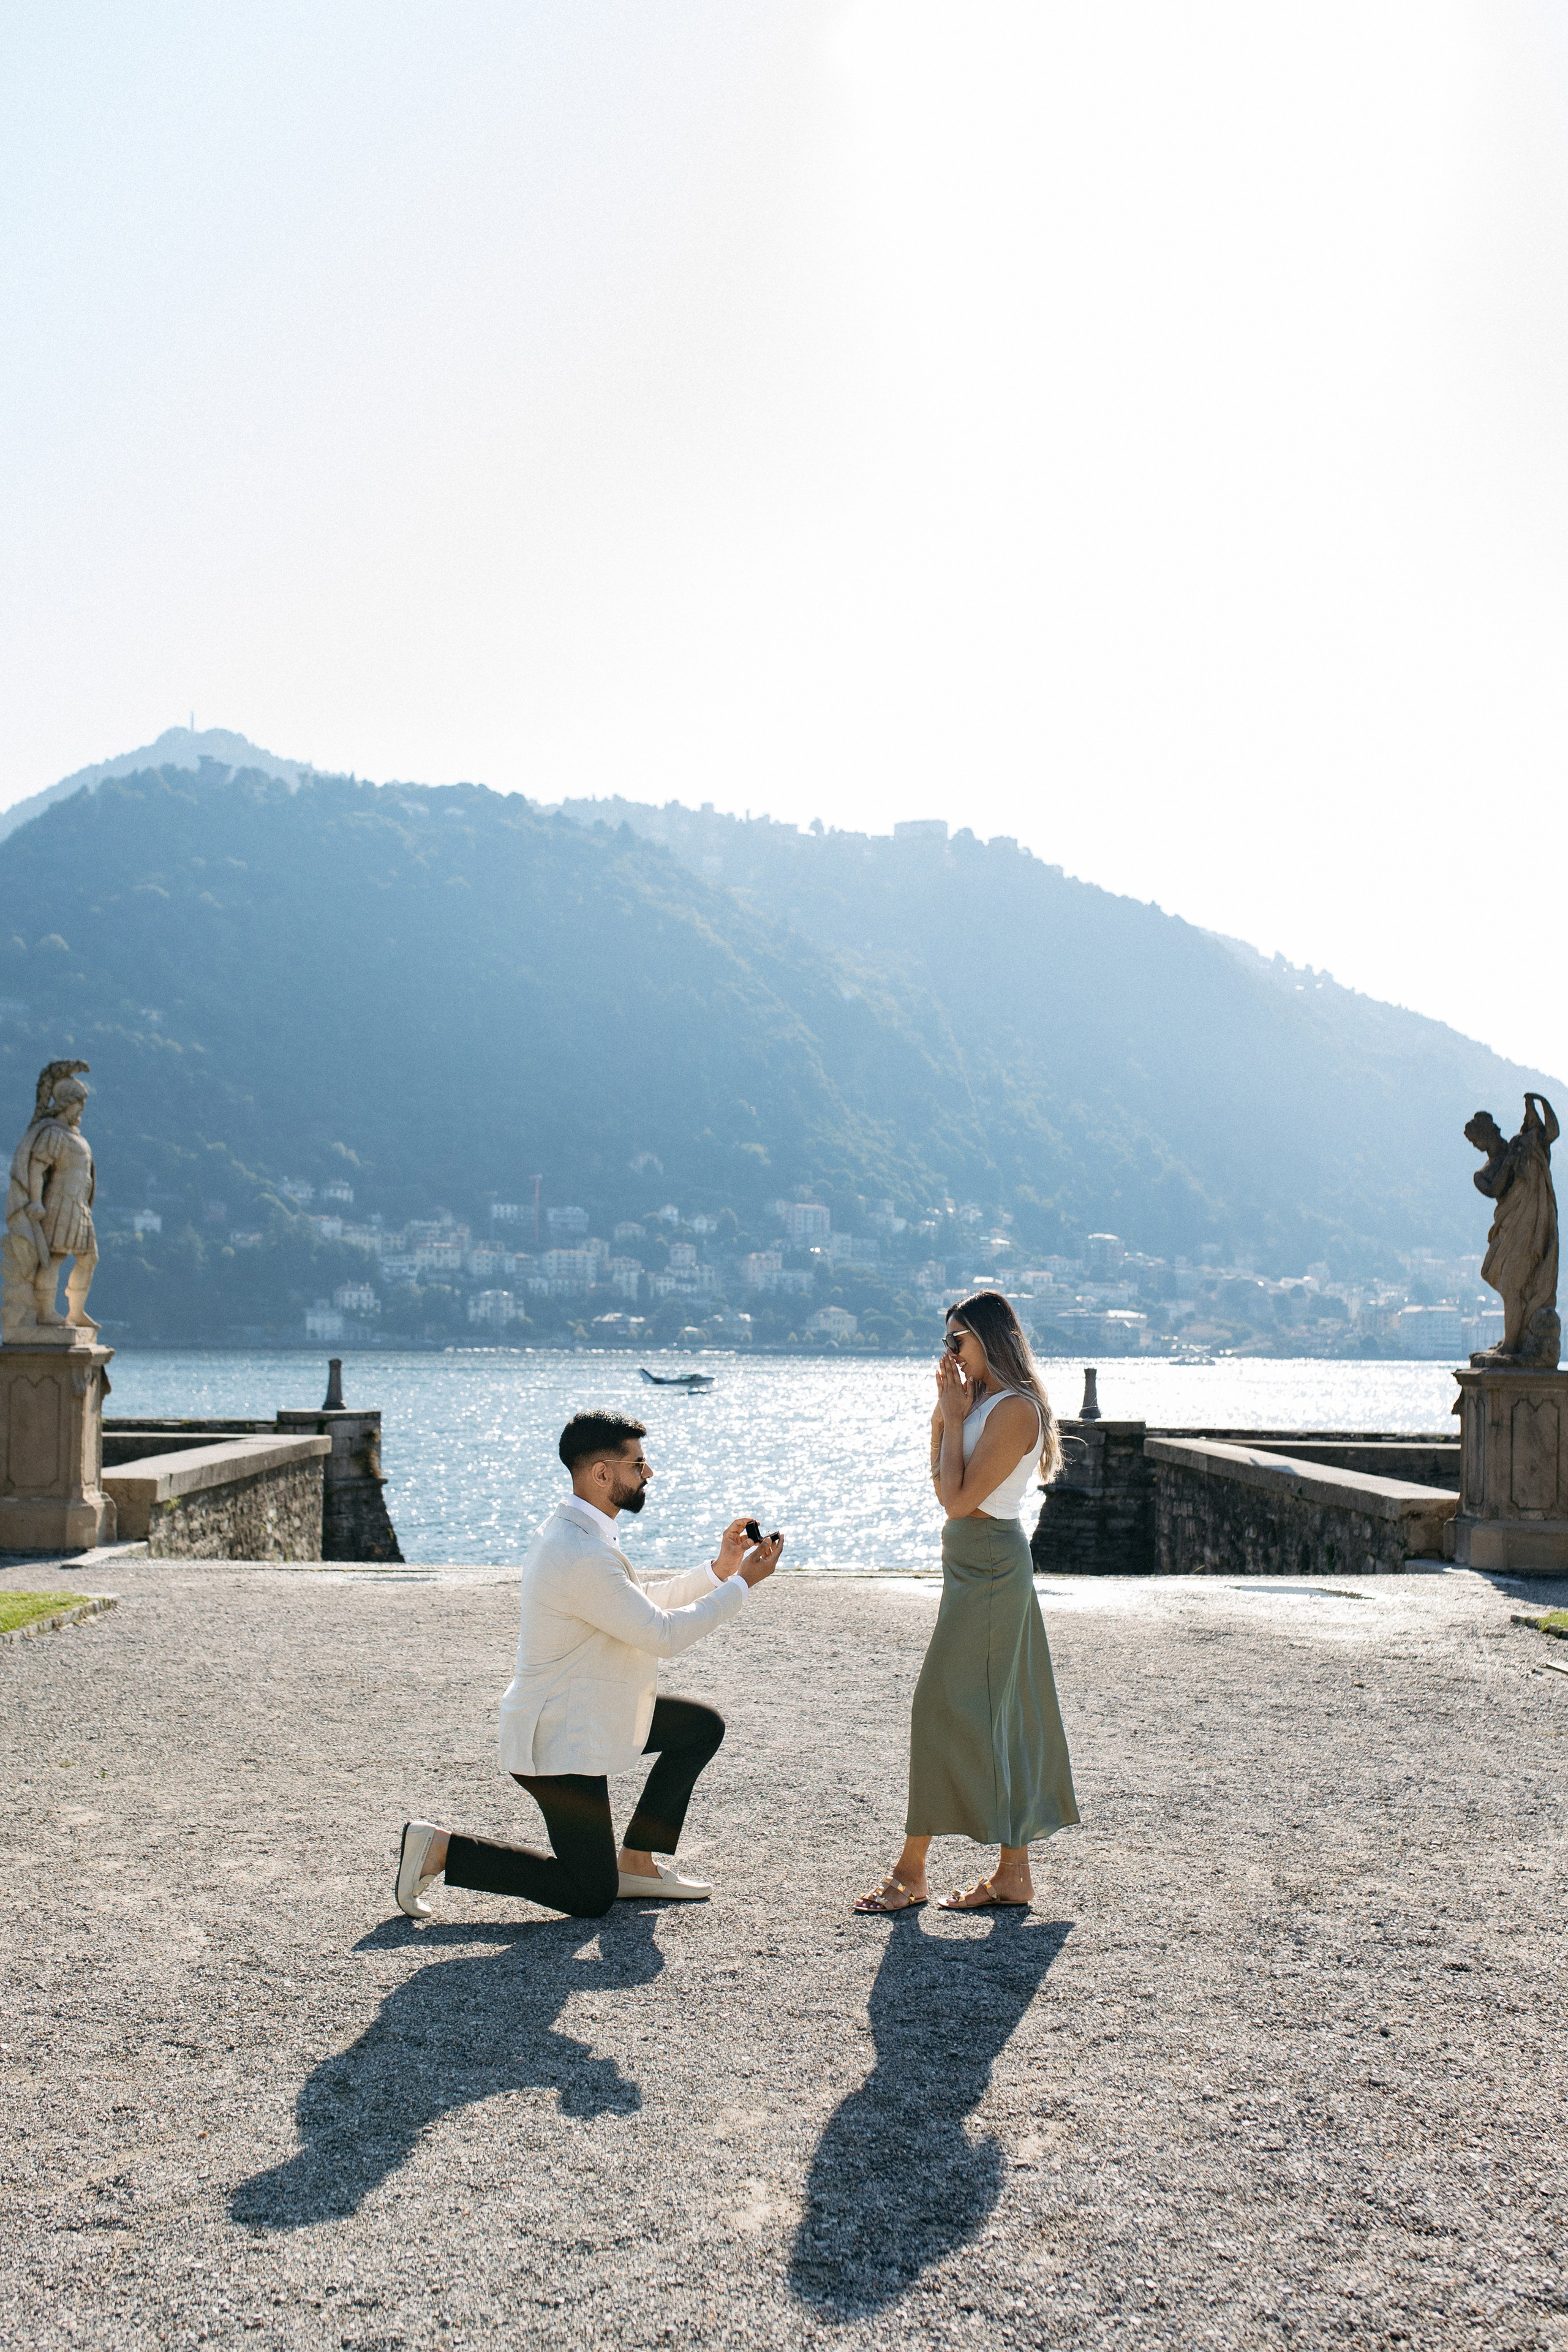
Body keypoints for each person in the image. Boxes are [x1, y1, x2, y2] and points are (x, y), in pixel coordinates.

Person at [396, 1409, 782, 1921]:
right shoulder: (578, 1550)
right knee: (588, 1895)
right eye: (638, 1464)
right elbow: (662, 1634)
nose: (649, 1474)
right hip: (558, 1737)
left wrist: (720, 1570)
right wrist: (741, 1586)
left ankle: (639, 1863)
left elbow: (638, 1603)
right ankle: (442, 1850)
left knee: (698, 1727)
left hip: (586, 1713)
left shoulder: (579, 1533)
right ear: (602, 1474)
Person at [856, 1290, 1079, 1915]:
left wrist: (952, 1421)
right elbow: (943, 1490)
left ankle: (912, 1870)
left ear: (991, 1339)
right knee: (1000, 1711)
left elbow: (958, 1501)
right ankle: (1012, 1874)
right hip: (971, 1560)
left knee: (940, 1708)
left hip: (988, 1560)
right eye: (945, 1342)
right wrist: (943, 1416)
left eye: (958, 1340)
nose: (949, 1353)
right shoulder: (978, 1404)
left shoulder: (1015, 1411)